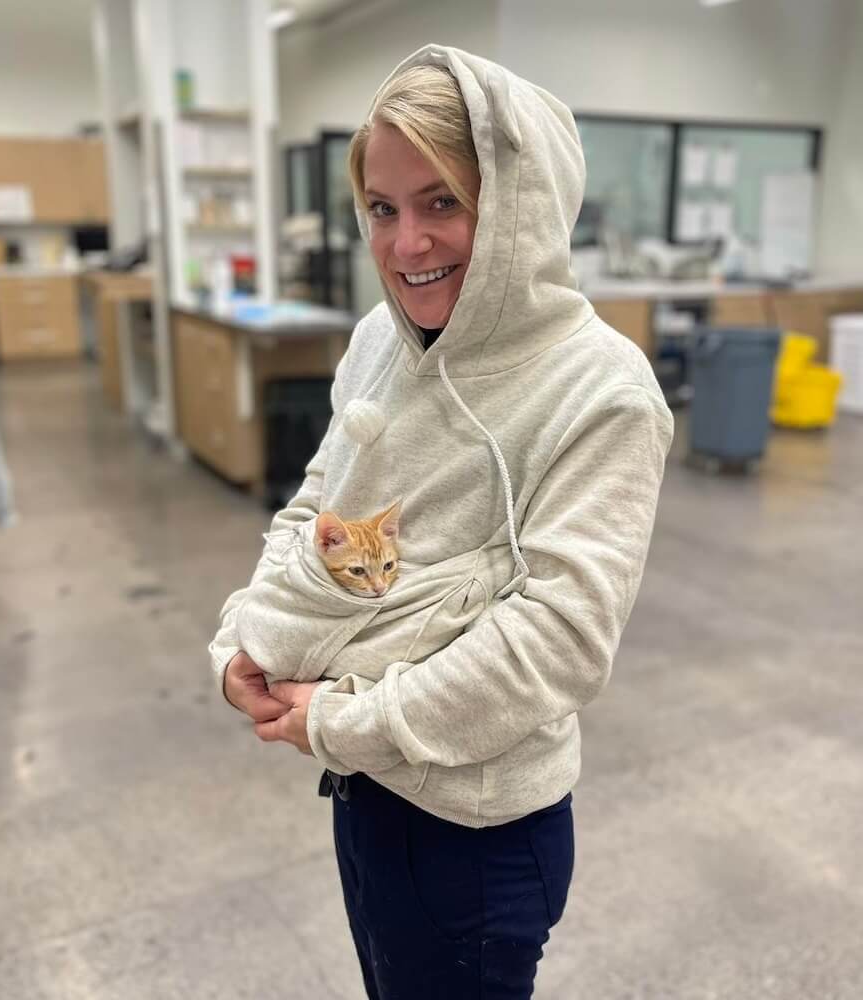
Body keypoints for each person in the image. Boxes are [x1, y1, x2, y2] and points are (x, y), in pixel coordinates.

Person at [213, 44, 673, 999]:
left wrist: (352, 718)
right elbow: (316, 502)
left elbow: (559, 640)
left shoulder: (601, 389)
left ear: (518, 206)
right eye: (383, 209)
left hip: (478, 828)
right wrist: (245, 634)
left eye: (443, 202)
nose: (405, 244)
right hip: (365, 784)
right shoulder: (381, 338)